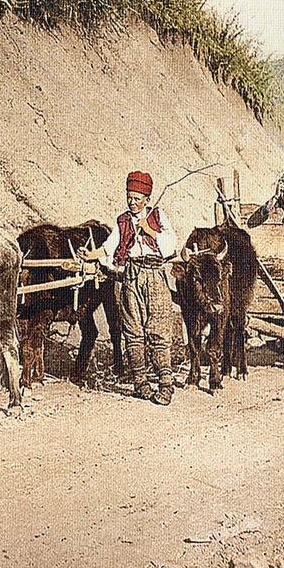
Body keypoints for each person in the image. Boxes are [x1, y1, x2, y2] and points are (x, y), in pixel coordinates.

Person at [81, 169, 179, 404]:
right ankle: (141, 383)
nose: (132, 202)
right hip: (131, 276)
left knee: (158, 330)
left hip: (155, 276)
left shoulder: (157, 215)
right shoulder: (123, 220)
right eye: (129, 197)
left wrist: (150, 231)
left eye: (137, 198)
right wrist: (90, 255)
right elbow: (109, 246)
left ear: (146, 198)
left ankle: (165, 384)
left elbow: (171, 245)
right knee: (133, 331)